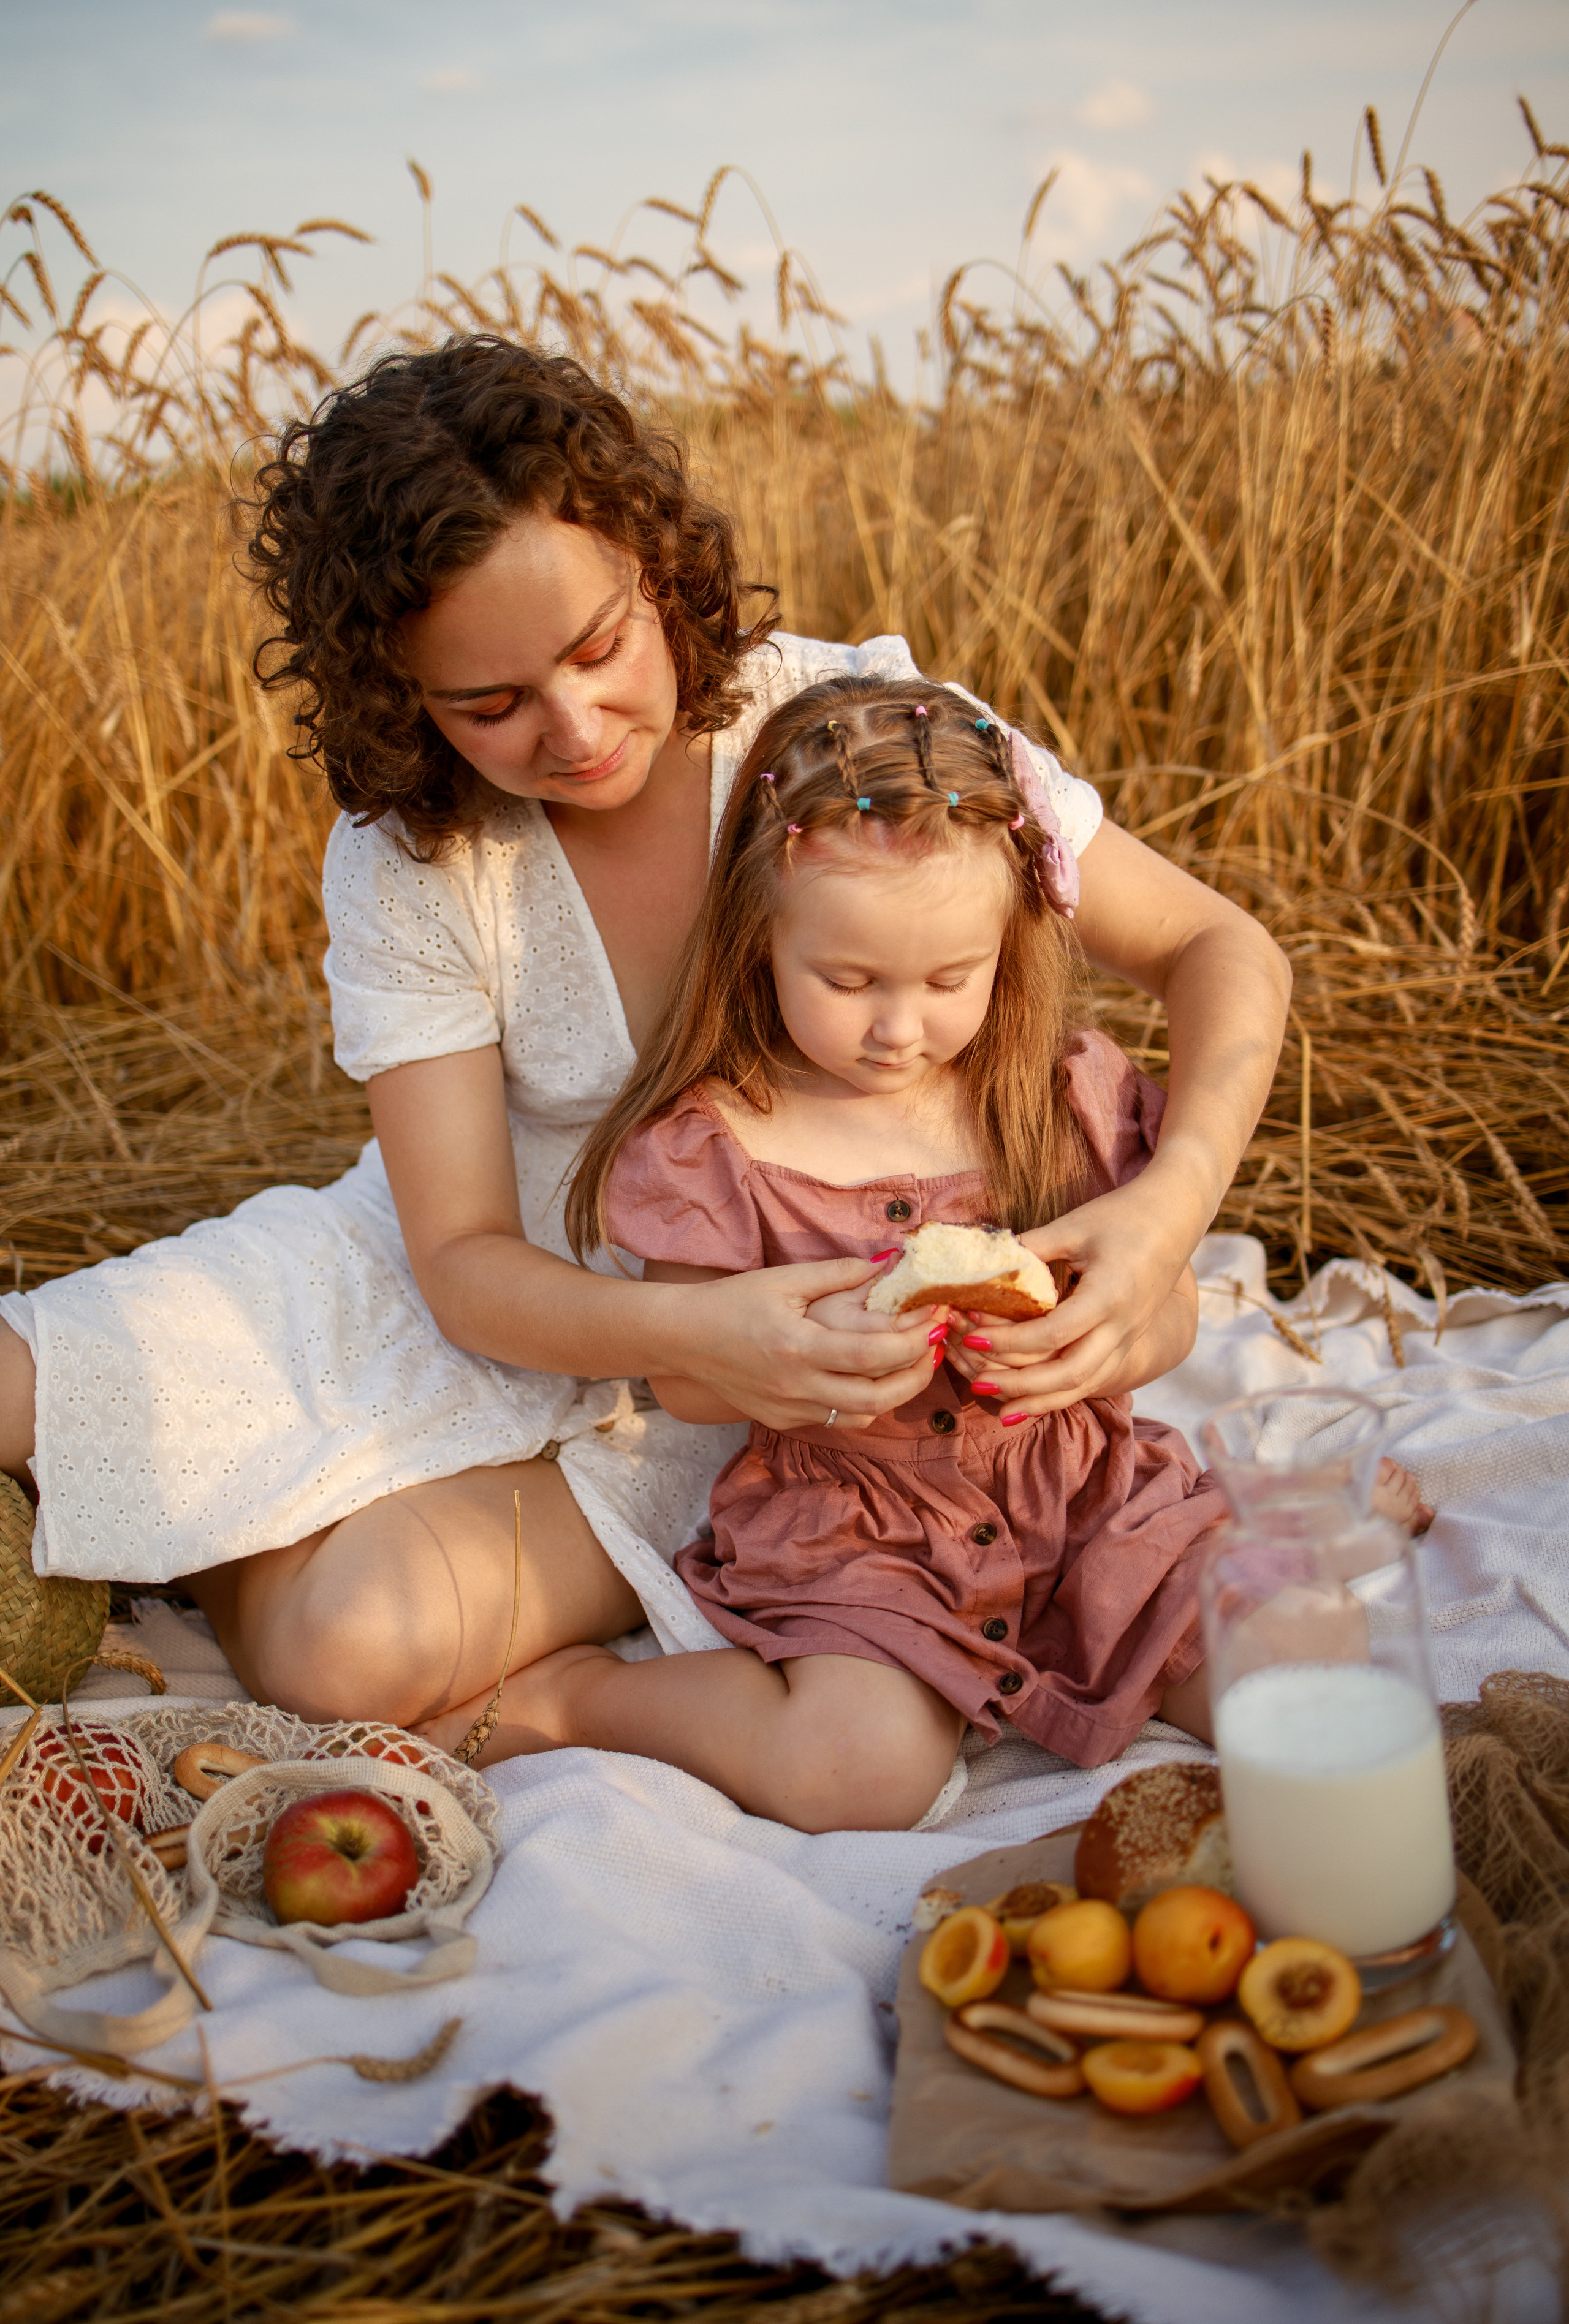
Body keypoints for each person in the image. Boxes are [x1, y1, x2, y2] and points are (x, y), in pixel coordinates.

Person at [0, 336, 1306, 1751]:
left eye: (596, 648)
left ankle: (201, 1537)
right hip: (494, 1271)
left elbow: (1217, 948)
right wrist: (688, 1325)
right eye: (487, 705)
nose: (571, 731)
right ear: (397, 695)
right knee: (26, 1382)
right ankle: (186, 1488)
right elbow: (456, 1261)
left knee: (346, 1653)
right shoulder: (412, 857)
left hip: (739, 1370)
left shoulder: (852, 745)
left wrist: (1165, 1212)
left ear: (652, 564)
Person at [411, 676, 1423, 1830]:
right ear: (762, 943)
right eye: (848, 983)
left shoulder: (1053, 1099)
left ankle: (1286, 1534)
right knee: (856, 1774)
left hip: (1084, 1491)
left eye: (950, 981)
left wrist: (1103, 1340)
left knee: (1289, 1681)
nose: (900, 1026)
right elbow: (686, 1379)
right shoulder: (720, 1141)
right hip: (862, 1529)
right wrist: (795, 1358)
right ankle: (581, 1699)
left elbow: (1169, 1309)